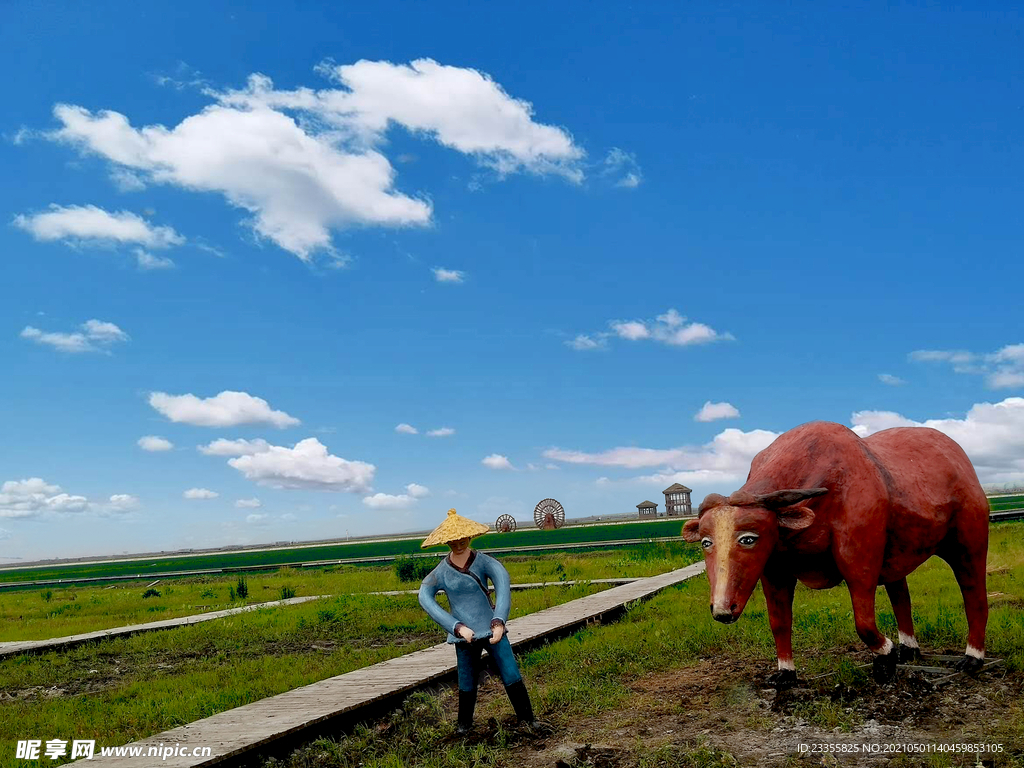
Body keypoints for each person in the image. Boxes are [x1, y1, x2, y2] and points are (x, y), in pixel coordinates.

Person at [418, 508, 542, 735]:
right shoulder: (441, 572)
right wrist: (456, 626)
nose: (458, 543)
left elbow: (502, 583)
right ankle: (464, 726)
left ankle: (527, 719)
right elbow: (424, 596)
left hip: (492, 628)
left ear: (470, 536)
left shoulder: (484, 562)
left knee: (510, 671)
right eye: (453, 540)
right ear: (446, 541)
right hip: (464, 636)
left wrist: (499, 621)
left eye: (462, 538)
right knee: (466, 678)